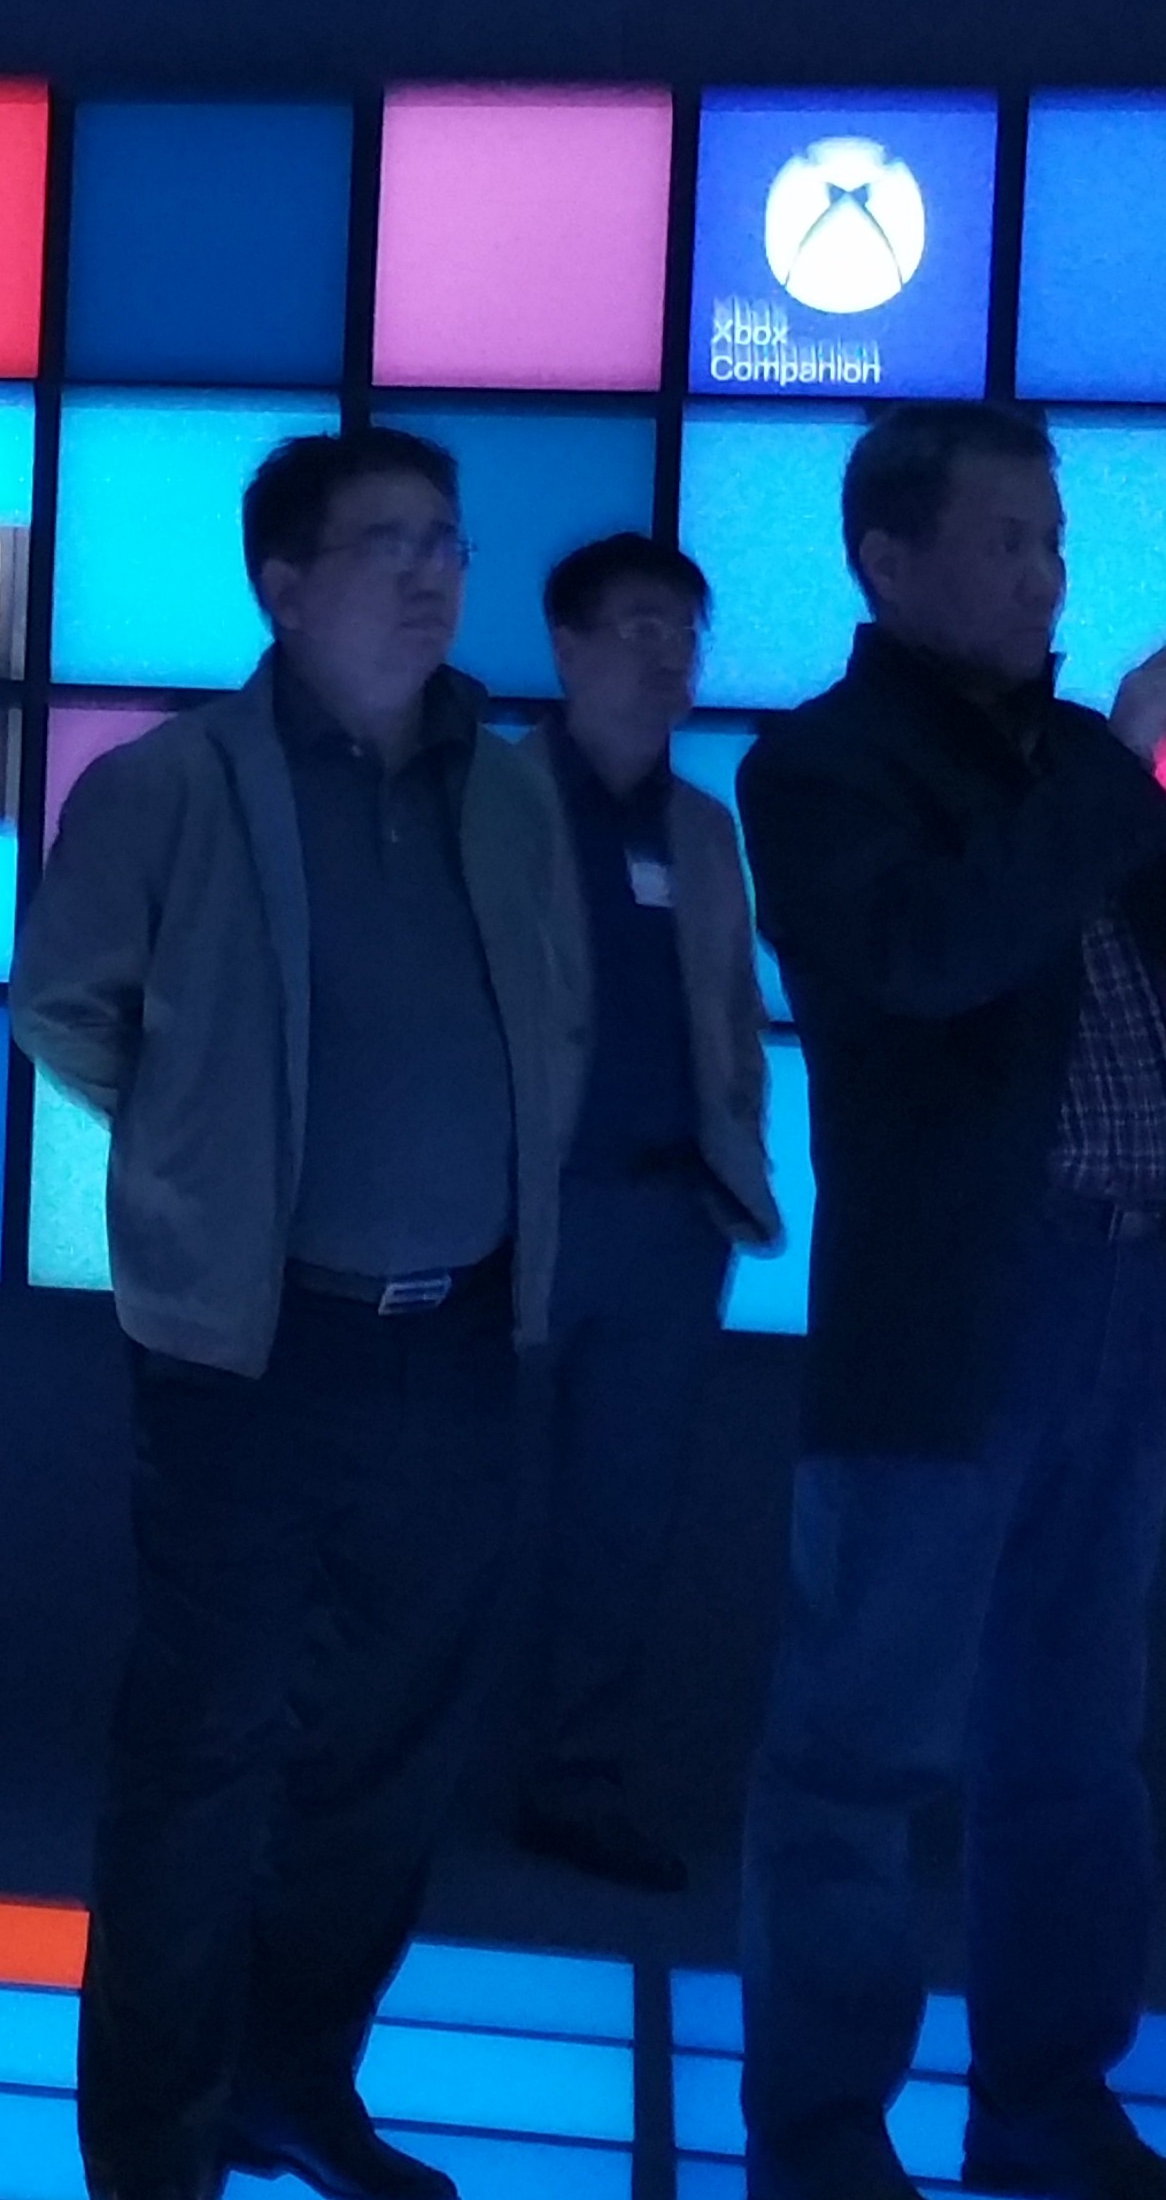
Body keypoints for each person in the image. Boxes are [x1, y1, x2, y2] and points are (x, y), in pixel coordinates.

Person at [15, 429, 612, 2200]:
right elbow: (67, 1009)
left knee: (391, 1748)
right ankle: (152, 2148)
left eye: (449, 542)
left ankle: (293, 2080)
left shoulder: (506, 787)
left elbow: (557, 1008)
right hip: (254, 1346)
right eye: (388, 544)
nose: (433, 575)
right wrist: (210, 1149)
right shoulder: (169, 785)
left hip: (461, 1336)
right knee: (202, 1753)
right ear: (281, 585)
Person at [729, 403, 1166, 2200]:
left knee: (1071, 1744)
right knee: (861, 1749)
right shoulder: (816, 767)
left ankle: (1044, 2107)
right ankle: (821, 2142)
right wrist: (1116, 765)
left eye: (1055, 541)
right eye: (1008, 542)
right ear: (884, 560)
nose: (1048, 576)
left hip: (1122, 1290)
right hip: (950, 1314)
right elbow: (930, 955)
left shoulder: (1067, 752)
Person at [506, 533, 784, 1895]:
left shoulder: (704, 829)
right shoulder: (493, 801)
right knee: (463, 1504)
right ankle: (392, 1777)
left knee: (623, 1522)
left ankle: (577, 1781)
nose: (669, 652)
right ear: (565, 647)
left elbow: (730, 1014)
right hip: (516, 1212)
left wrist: (735, 1155)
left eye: (684, 629)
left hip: (669, 1218)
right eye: (638, 626)